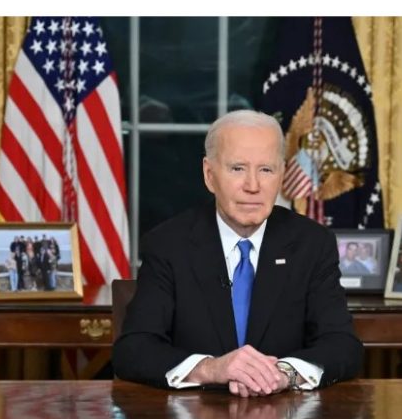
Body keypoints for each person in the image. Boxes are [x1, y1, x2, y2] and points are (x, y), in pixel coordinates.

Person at [112, 110, 363, 397]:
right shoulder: (168, 244)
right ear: (209, 175)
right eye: (237, 169)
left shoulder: (313, 244)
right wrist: (211, 369)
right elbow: (133, 349)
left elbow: (343, 345)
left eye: (266, 170)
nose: (253, 186)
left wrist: (284, 374)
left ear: (281, 174)